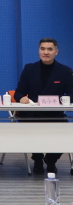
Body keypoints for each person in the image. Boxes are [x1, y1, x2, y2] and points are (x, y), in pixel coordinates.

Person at [14, 38, 73, 174]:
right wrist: (21, 98)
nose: (46, 52)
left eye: (50, 49)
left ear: (56, 52)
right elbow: (19, 92)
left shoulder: (65, 71)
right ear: (39, 51)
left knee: (66, 132)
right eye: (42, 49)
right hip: (32, 115)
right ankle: (38, 159)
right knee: (32, 129)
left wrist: (61, 101)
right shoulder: (29, 69)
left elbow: (71, 94)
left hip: (55, 115)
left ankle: (51, 160)